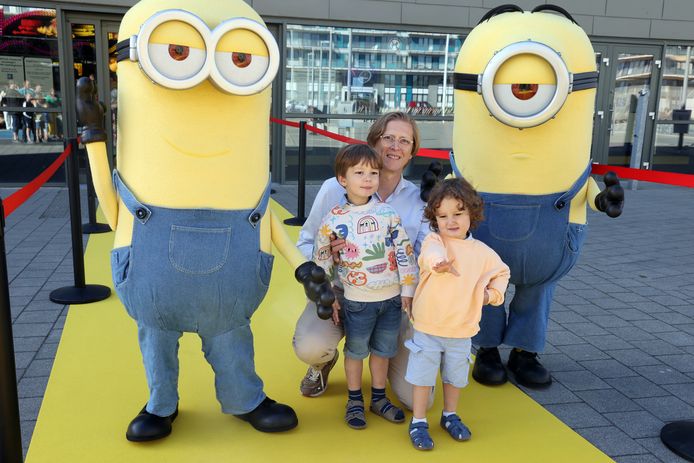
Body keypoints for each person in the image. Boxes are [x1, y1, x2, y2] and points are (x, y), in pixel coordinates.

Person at [293, 111, 430, 410]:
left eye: (404, 141)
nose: (395, 146)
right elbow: (306, 241)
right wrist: (325, 271)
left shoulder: (419, 199)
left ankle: (387, 366)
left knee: (416, 399)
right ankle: (324, 364)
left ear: (412, 151)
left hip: (394, 299)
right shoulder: (334, 189)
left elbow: (426, 255)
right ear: (373, 141)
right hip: (344, 291)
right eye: (389, 138)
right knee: (311, 346)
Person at [313, 143, 418, 428]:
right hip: (357, 301)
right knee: (356, 351)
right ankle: (355, 399)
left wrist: (408, 291)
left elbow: (404, 252)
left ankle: (379, 398)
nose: (368, 178)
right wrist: (327, 297)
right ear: (342, 179)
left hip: (392, 300)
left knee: (383, 351)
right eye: (359, 172)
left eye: (373, 172)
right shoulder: (333, 218)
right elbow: (321, 257)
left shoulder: (388, 215)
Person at [405, 178, 510, 450]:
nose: (450, 221)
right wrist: (438, 264)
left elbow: (502, 272)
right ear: (435, 219)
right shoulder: (433, 241)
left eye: (458, 213)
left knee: (455, 377)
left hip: (462, 329)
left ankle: (449, 416)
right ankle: (418, 421)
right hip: (428, 326)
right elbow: (430, 254)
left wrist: (491, 295)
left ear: (471, 214)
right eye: (442, 216)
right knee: (422, 377)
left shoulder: (483, 253)